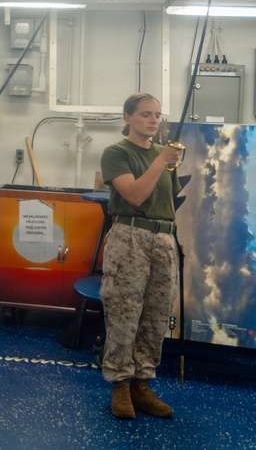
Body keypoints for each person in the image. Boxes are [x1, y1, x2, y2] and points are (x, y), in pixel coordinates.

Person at [99, 92, 182, 420]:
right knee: (124, 311)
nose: (153, 120)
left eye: (157, 115)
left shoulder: (165, 155)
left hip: (163, 238)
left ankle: (142, 383)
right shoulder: (116, 153)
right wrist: (161, 161)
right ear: (128, 117)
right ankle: (120, 383)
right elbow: (134, 195)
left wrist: (171, 236)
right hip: (130, 237)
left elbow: (169, 201)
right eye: (146, 114)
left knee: (157, 315)